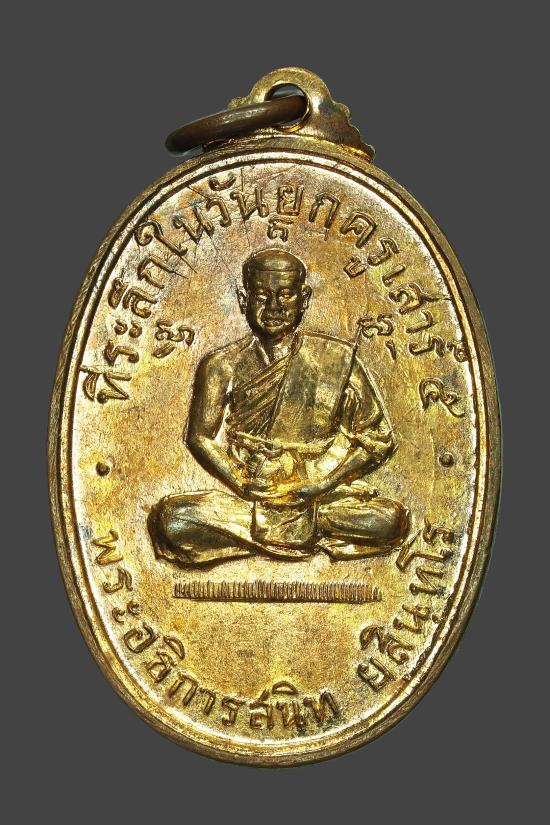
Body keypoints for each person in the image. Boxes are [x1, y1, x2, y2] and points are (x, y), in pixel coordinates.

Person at [148, 248, 408, 566]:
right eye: (262, 295)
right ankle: (297, 534)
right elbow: (199, 436)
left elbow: (378, 440)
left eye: (285, 295)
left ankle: (279, 533)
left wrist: (321, 485)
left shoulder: (336, 359)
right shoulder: (220, 365)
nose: (274, 307)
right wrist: (242, 483)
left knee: (390, 521)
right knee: (171, 520)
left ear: (304, 299)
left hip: (316, 496)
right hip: (250, 498)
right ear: (243, 300)